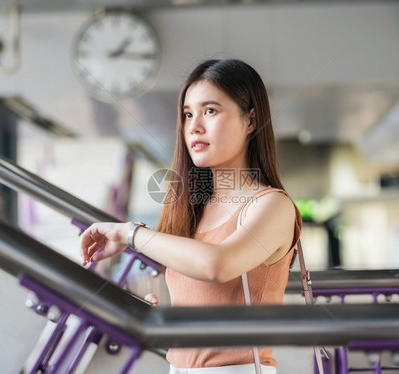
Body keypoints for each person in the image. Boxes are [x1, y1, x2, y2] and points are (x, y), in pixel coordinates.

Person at [80, 59, 303, 374]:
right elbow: (205, 300)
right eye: (187, 114)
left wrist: (130, 234)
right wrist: (155, 314)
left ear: (251, 120)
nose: (195, 126)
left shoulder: (272, 205)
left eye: (210, 111)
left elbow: (217, 265)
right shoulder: (192, 208)